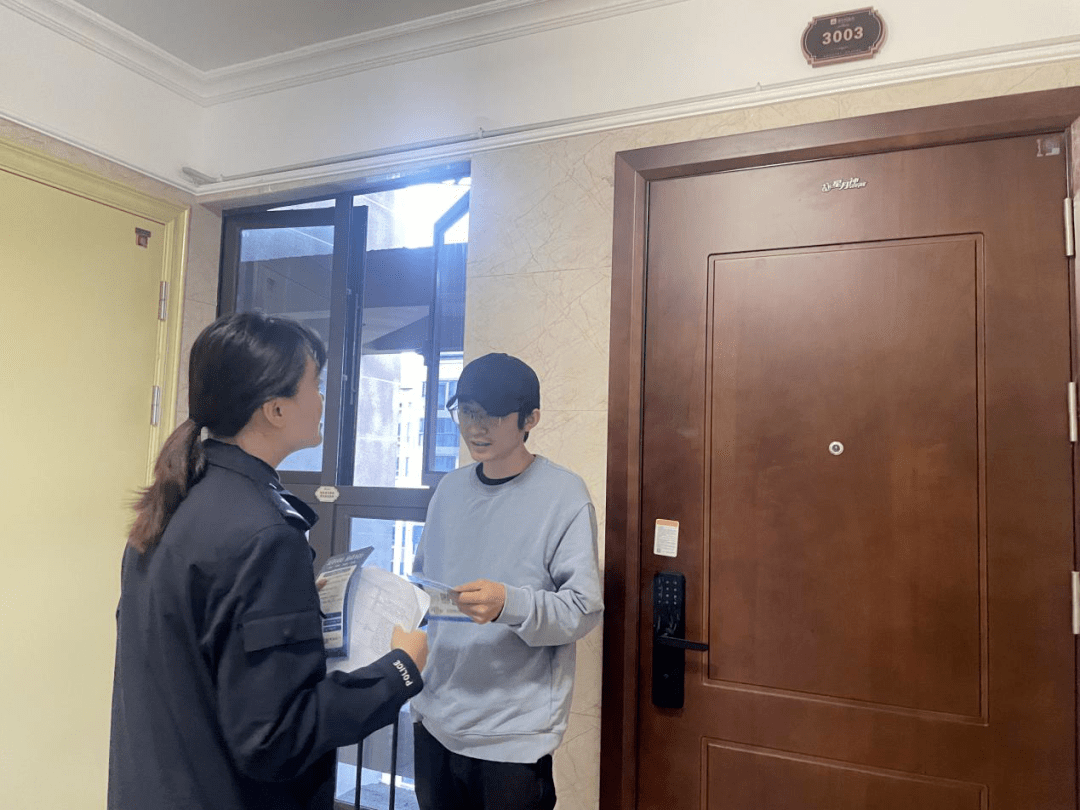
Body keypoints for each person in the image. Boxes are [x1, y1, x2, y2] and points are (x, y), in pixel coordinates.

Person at [108, 312, 428, 810]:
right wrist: (398, 672)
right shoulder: (264, 533)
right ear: (275, 409)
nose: (322, 400)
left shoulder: (174, 502)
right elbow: (275, 738)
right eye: (315, 385)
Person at [409, 352, 604, 810]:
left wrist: (508, 604)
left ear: (530, 418)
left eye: (492, 415)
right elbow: (423, 590)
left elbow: (583, 609)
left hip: (513, 736)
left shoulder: (564, 495)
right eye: (467, 412)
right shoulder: (449, 490)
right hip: (434, 720)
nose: (476, 427)